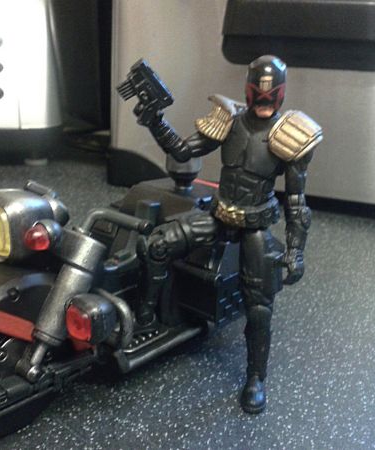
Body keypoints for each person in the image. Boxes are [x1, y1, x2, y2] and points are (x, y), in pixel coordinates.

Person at [132, 55, 323, 414]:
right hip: (219, 216)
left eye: (271, 95)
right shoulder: (230, 121)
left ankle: (256, 378)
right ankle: (146, 319)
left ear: (281, 94)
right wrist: (155, 121)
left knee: (260, 307)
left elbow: (297, 202)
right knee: (156, 245)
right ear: (248, 91)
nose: (264, 101)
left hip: (256, 226)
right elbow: (182, 150)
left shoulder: (292, 135)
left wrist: (295, 249)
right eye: (258, 94)